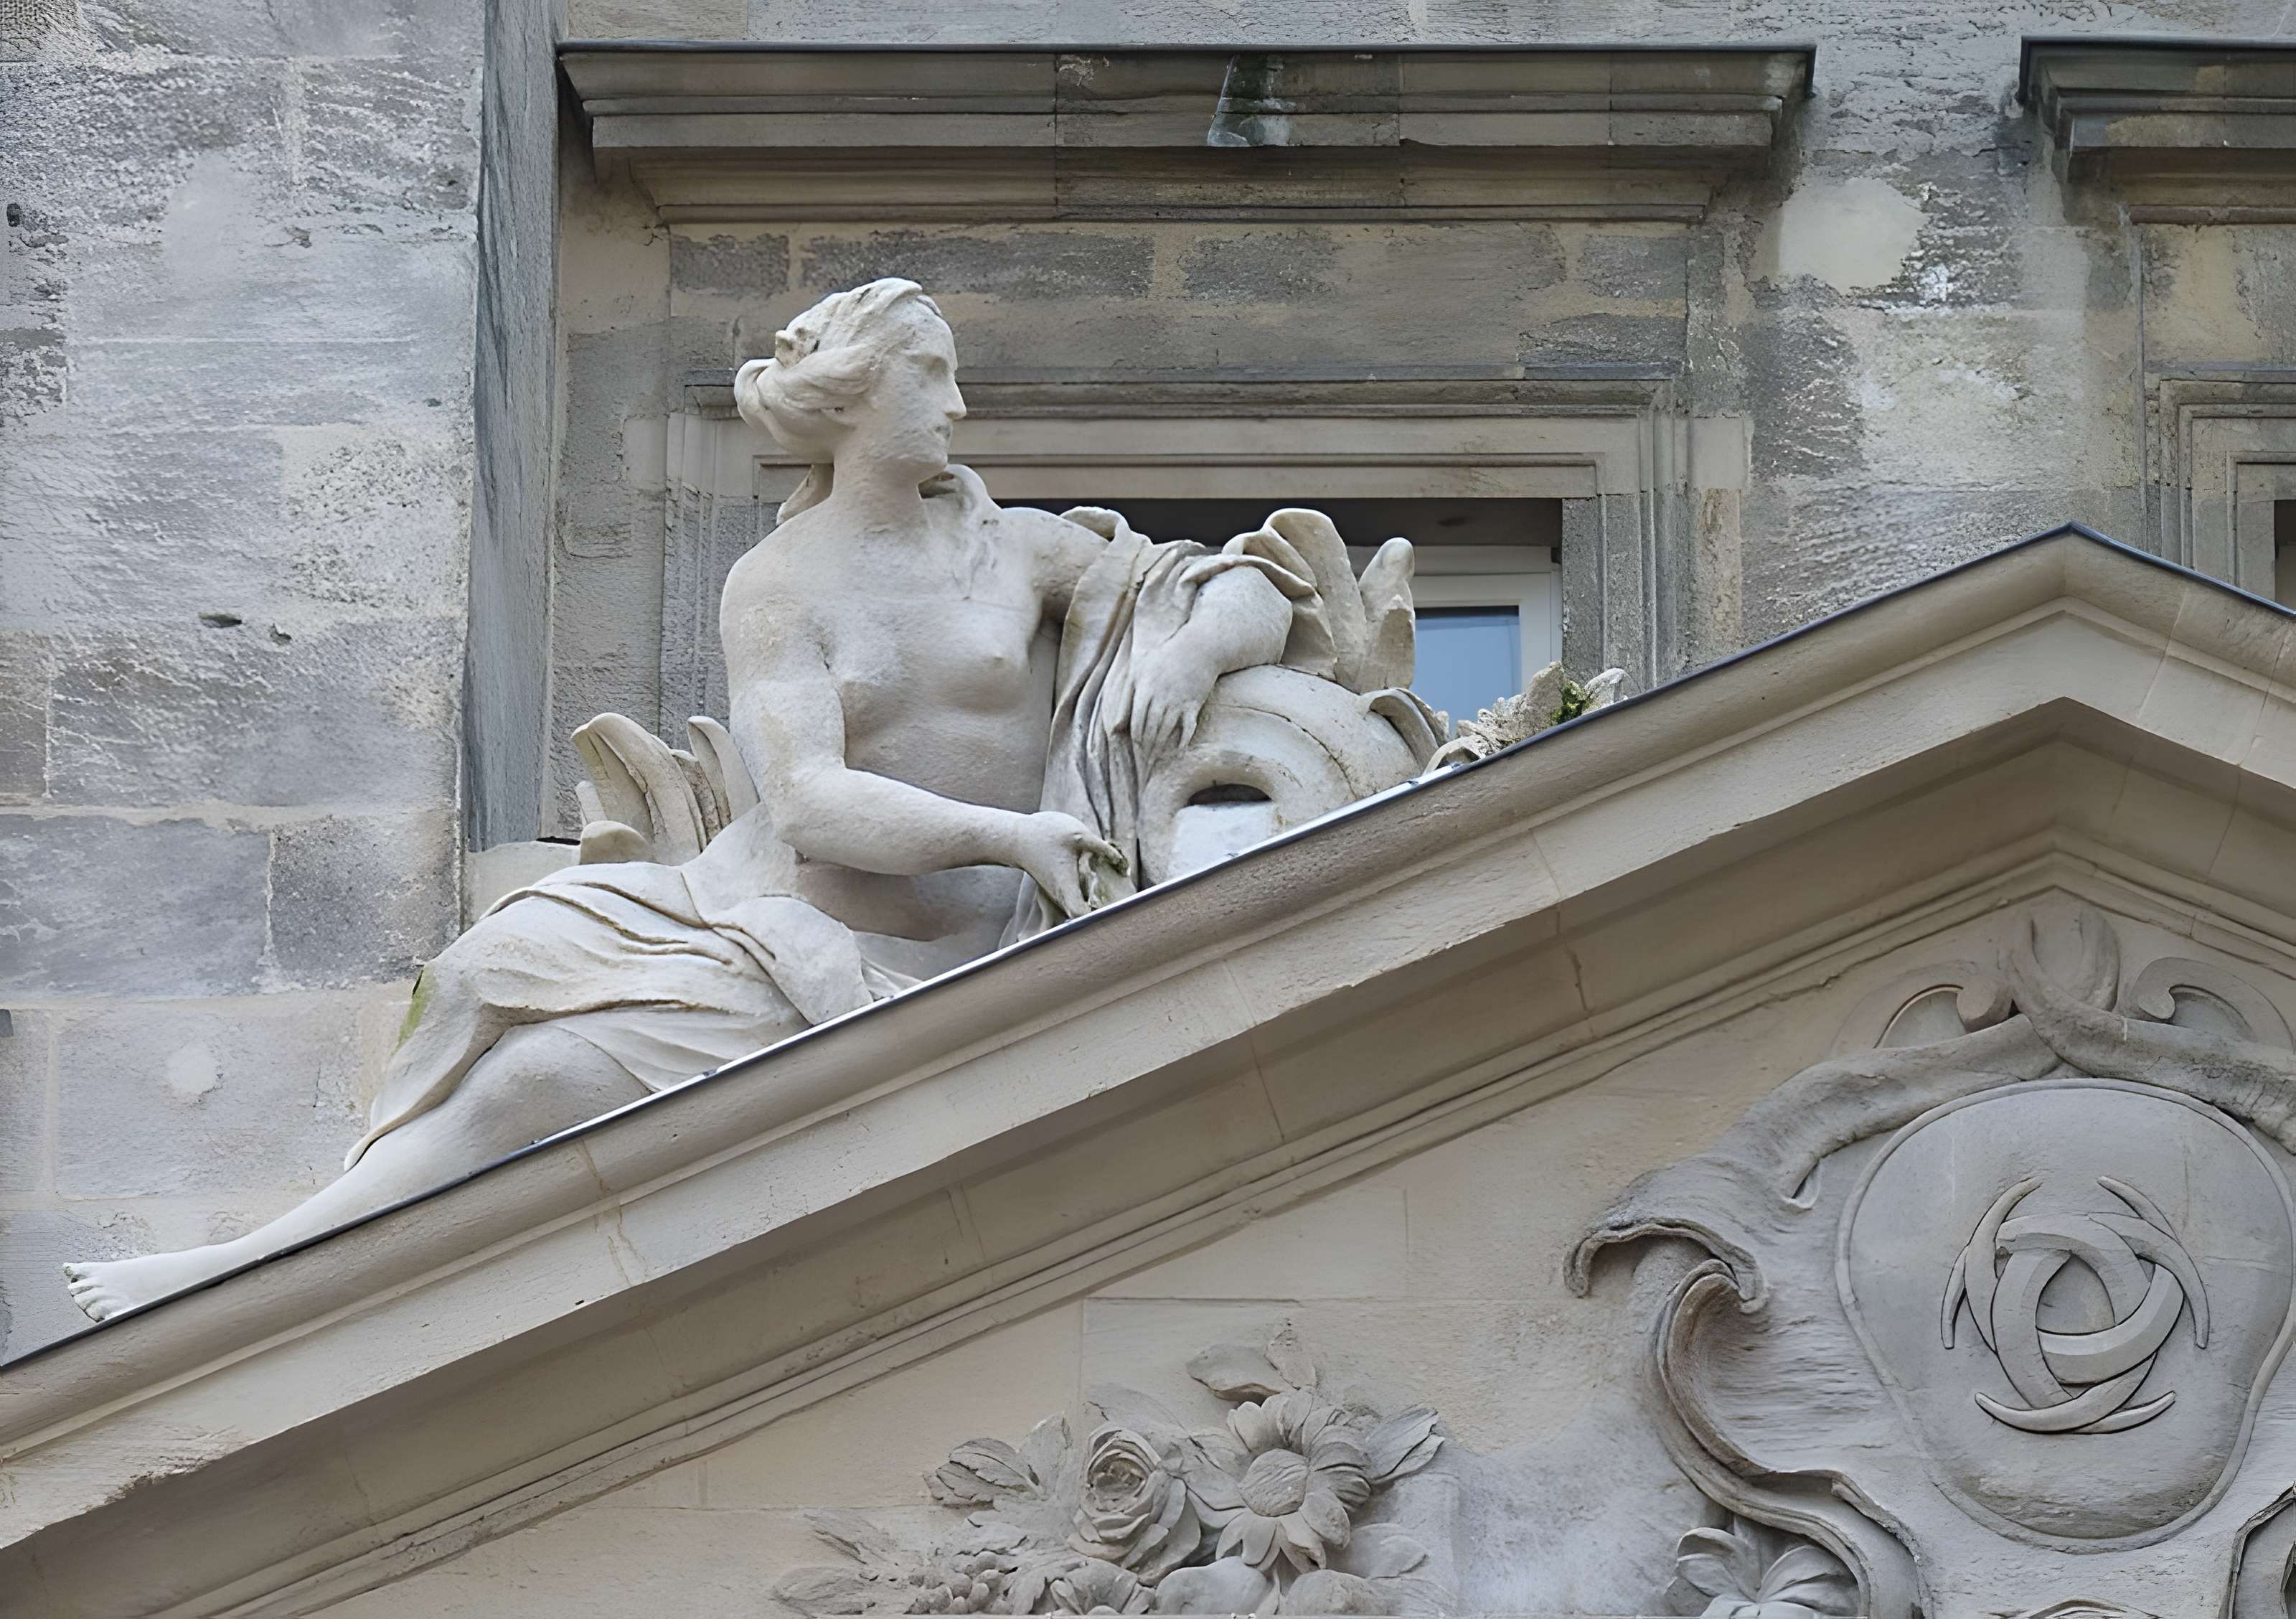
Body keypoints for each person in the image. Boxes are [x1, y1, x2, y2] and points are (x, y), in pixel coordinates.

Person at [62, 278, 1304, 1322]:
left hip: (968, 953)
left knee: (538, 1064)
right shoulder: (778, 584)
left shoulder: (1015, 548)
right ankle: (244, 1270)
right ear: (857, 396)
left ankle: (248, 1274)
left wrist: (1190, 650)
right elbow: (808, 803)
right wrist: (1011, 834)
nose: (959, 406)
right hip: (784, 933)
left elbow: (1255, 585)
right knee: (512, 1028)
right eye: (931, 376)